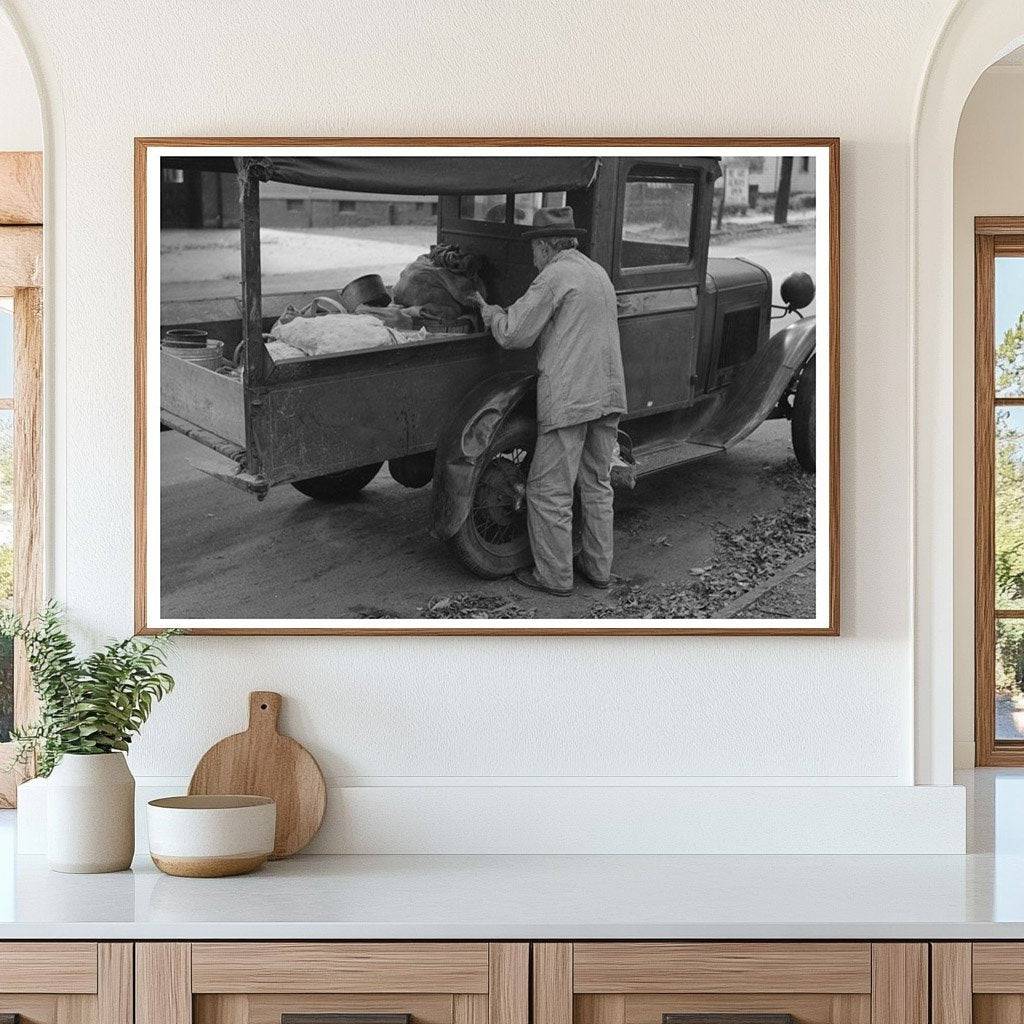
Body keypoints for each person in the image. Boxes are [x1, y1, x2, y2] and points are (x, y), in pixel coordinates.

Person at [475, 207, 627, 597]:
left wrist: (489, 311)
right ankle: (598, 569)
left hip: (572, 399)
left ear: (544, 246)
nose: (533, 258)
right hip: (608, 394)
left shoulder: (554, 277)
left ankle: (555, 577)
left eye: (534, 249)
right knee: (597, 484)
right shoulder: (596, 272)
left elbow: (513, 334)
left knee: (548, 490)